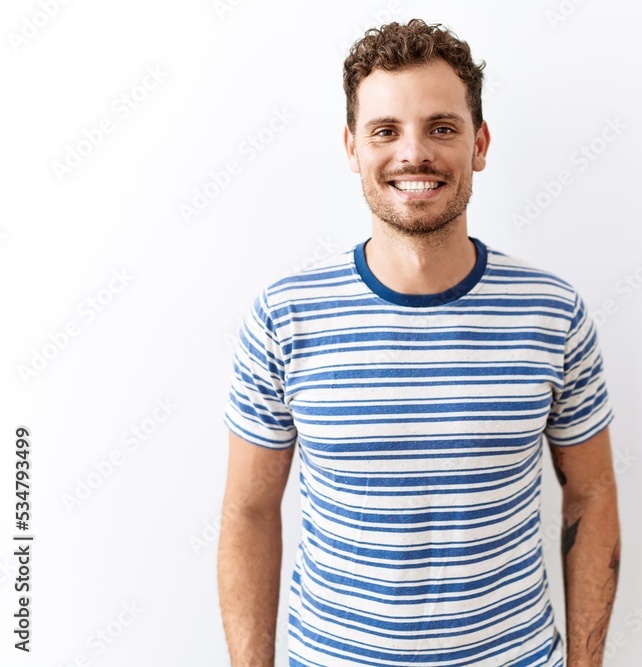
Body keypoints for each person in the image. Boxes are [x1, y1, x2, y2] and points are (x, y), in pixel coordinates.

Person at [218, 18, 620, 666]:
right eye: (386, 130)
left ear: (479, 143)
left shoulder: (554, 314)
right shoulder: (283, 318)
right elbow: (248, 511)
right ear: (352, 147)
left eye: (441, 127)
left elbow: (593, 494)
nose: (414, 153)